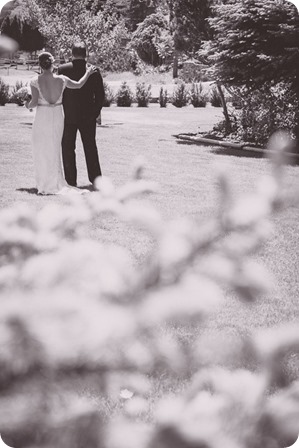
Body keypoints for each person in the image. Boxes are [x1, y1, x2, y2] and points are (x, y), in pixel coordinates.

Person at [25, 52, 97, 195]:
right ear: (53, 64)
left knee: (41, 149)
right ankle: (55, 180)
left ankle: (45, 183)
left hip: (42, 116)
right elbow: (78, 85)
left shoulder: (34, 80)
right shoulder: (62, 79)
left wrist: (26, 104)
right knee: (55, 148)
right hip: (58, 116)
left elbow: (33, 103)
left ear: (40, 65)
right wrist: (88, 73)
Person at [58, 42, 105, 187]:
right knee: (90, 148)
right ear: (86, 54)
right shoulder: (94, 71)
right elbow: (100, 96)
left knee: (67, 148)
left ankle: (70, 180)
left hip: (68, 115)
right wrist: (95, 113)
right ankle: (96, 180)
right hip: (88, 116)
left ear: (72, 53)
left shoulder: (62, 69)